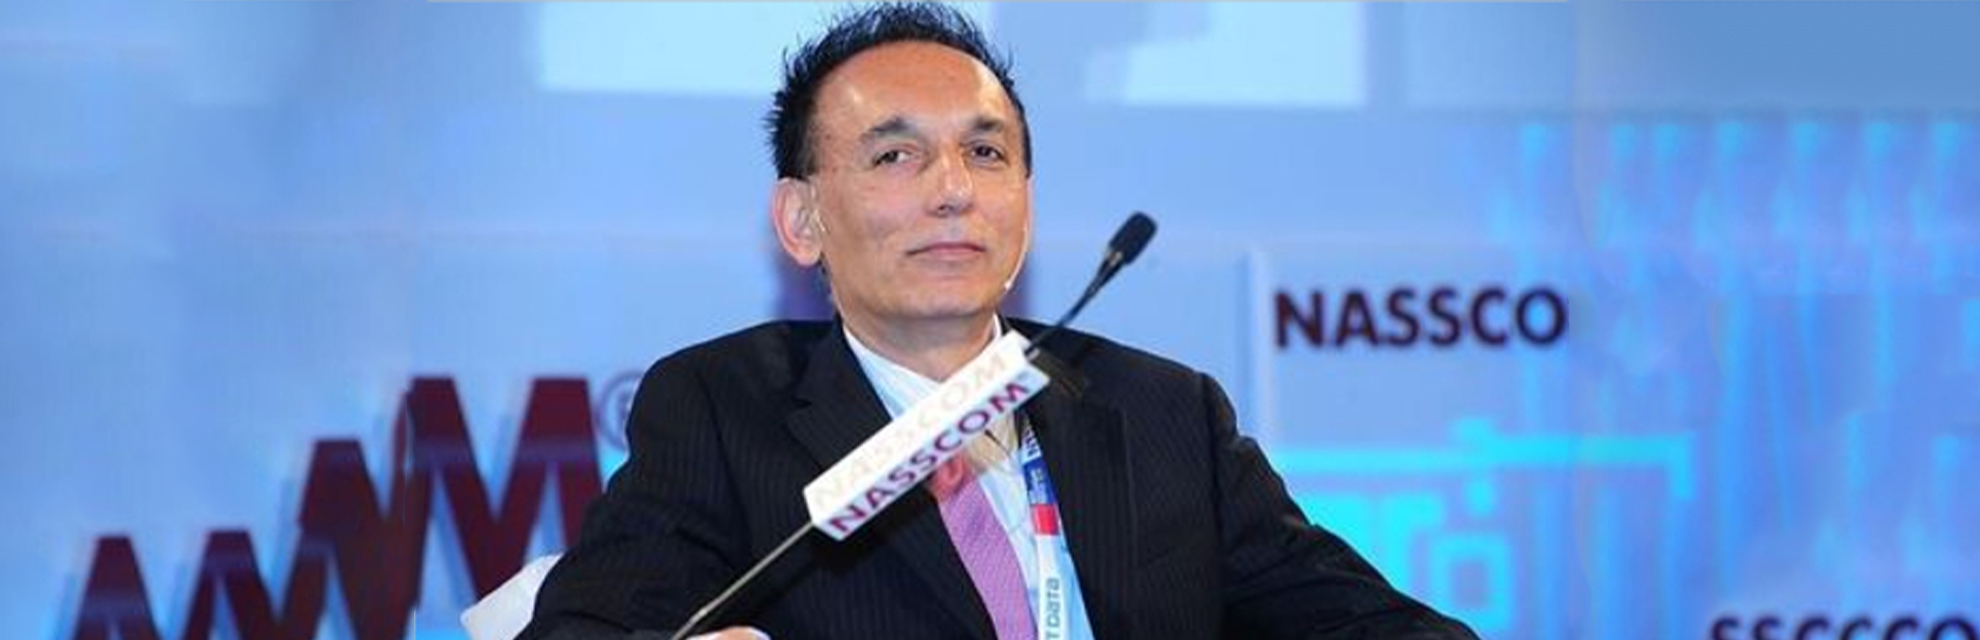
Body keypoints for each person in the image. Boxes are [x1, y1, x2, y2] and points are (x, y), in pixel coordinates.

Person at [521, 4, 1477, 639]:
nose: (953, 191)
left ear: (1025, 197)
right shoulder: (723, 411)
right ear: (802, 221)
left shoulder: (1164, 412)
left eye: (986, 152)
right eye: (895, 156)